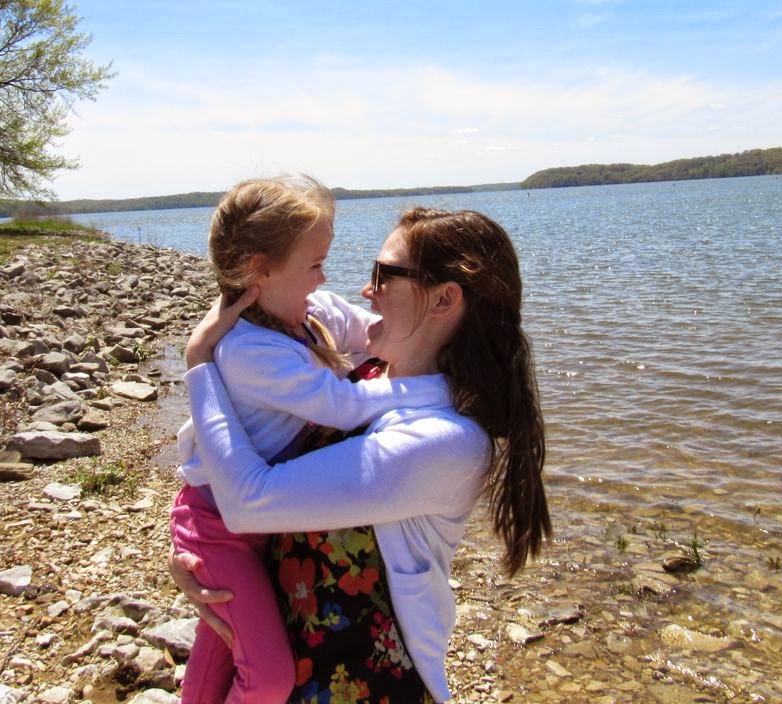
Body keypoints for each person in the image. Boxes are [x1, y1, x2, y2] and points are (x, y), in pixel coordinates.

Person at [175, 206, 552, 703]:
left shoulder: (448, 442)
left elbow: (249, 501)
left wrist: (199, 361)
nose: (366, 290)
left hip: (363, 685)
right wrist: (202, 554)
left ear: (444, 299)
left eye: (383, 275)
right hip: (285, 658)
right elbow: (247, 454)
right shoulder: (368, 374)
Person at [171, 176, 437, 704]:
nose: (324, 277)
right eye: (314, 264)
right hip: (218, 528)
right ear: (259, 270)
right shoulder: (250, 350)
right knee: (266, 675)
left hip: (252, 520)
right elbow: (339, 404)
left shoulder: (309, 317)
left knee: (225, 641)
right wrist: (434, 389)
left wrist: (439, 339)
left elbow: (372, 333)